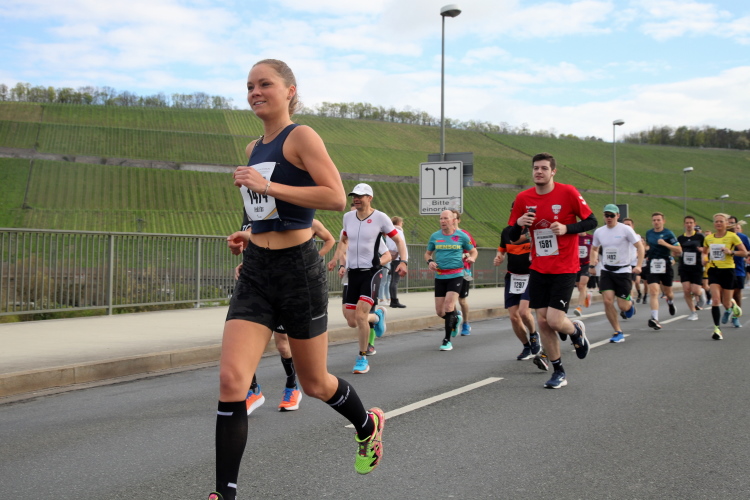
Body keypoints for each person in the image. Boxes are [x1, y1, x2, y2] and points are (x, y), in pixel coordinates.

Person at [210, 60, 384, 500]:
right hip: (257, 271)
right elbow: (261, 209)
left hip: (298, 272)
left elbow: (334, 196)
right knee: (232, 381)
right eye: (249, 85)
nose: (255, 91)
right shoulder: (254, 147)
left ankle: (367, 426)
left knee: (315, 383)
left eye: (264, 84)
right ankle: (224, 494)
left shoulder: (301, 136)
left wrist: (267, 187)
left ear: (289, 90)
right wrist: (247, 234)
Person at [508, 152, 597, 389]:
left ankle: (575, 331)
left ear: (553, 171)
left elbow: (591, 221)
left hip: (565, 267)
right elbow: (511, 236)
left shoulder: (568, 192)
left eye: (544, 168)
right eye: (536, 168)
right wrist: (518, 224)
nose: (539, 171)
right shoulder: (523, 198)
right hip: (538, 267)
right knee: (543, 322)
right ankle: (559, 371)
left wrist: (567, 228)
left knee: (555, 320)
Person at [241, 218, 336, 414]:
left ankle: (292, 387)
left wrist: (315, 258)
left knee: (283, 345)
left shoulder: (308, 221)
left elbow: (330, 240)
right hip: (258, 284)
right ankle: (253, 390)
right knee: (244, 343)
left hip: (292, 287)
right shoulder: (257, 218)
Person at [340, 183, 408, 374]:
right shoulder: (348, 217)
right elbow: (344, 239)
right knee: (351, 320)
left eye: (360, 196)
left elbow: (398, 240)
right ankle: (378, 317)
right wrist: (341, 261)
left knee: (361, 316)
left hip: (372, 272)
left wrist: (403, 261)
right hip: (353, 273)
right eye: (354, 195)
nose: (356, 199)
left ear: (369, 198)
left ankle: (362, 357)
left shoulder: (380, 218)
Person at [495, 208, 544, 367]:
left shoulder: (534, 230)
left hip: (530, 276)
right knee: (514, 317)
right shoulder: (507, 231)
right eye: (514, 211)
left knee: (524, 312)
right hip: (513, 277)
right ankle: (526, 346)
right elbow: (502, 250)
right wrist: (499, 257)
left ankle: (534, 334)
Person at [589, 204, 644, 343]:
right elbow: (594, 248)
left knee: (623, 307)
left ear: (618, 216)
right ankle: (618, 331)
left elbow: (640, 246)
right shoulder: (599, 232)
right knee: (607, 301)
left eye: (612, 215)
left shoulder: (626, 229)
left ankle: (629, 304)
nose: (609, 218)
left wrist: (638, 265)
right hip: (606, 270)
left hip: (623, 270)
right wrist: (592, 263)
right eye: (606, 215)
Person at [425, 210, 477, 351]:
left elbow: (473, 250)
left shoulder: (462, 236)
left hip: (457, 275)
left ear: (453, 220)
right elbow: (428, 253)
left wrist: (472, 258)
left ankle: (447, 341)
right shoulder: (435, 236)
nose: (442, 221)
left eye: (446, 218)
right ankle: (455, 318)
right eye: (441, 218)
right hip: (440, 276)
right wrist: (430, 261)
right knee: (440, 312)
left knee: (449, 306)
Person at [703, 213, 747, 340]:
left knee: (726, 303)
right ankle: (717, 329)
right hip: (714, 270)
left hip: (728, 271)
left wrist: (731, 252)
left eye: (721, 221)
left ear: (726, 223)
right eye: (716, 221)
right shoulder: (709, 238)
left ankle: (732, 306)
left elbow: (744, 253)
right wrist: (704, 259)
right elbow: (704, 252)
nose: (718, 223)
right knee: (716, 300)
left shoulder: (732, 236)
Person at [644, 212, 681, 330]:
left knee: (668, 293)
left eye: (658, 220)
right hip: (652, 264)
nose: (656, 222)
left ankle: (670, 302)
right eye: (654, 220)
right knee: (654, 291)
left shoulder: (669, 233)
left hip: (665, 265)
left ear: (663, 221)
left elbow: (679, 249)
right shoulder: (649, 233)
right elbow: (648, 246)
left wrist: (665, 244)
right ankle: (654, 318)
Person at [677, 216, 707, 321]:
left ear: (694, 224)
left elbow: (706, 249)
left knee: (695, 291)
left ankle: (701, 292)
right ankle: (693, 312)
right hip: (684, 267)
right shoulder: (680, 238)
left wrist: (703, 252)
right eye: (687, 223)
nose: (689, 225)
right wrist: (676, 253)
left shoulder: (700, 237)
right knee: (686, 290)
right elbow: (677, 250)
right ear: (684, 224)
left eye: (691, 223)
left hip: (696, 266)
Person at [452, 210, 476, 336]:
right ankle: (456, 317)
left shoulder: (465, 234)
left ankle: (466, 323)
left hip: (463, 271)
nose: (452, 221)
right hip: (449, 271)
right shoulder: (443, 235)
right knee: (449, 300)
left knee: (462, 300)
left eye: (454, 218)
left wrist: (469, 256)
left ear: (458, 220)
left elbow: (473, 250)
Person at [728, 216, 750, 327]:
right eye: (729, 223)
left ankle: (736, 317)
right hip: (724, 269)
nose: (731, 225)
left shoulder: (742, 237)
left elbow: (748, 251)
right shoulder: (719, 236)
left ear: (736, 225)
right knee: (724, 295)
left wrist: (746, 256)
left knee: (736, 294)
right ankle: (729, 309)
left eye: (733, 223)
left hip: (738, 269)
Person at [387, 216, 407, 308]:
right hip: (398, 258)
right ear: (399, 223)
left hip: (392, 257)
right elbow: (400, 244)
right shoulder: (399, 232)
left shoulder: (389, 232)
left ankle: (392, 300)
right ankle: (394, 300)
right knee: (395, 281)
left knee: (392, 280)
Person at [622, 218, 644, 302]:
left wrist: (638, 262)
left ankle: (631, 301)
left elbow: (641, 249)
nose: (627, 226)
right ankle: (629, 301)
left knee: (631, 284)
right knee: (624, 286)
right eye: (625, 225)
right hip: (622, 264)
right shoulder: (620, 236)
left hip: (633, 263)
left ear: (633, 226)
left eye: (629, 225)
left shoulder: (637, 237)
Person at [573, 231, 593, 317]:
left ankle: (579, 308)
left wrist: (595, 260)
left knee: (582, 285)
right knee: (579, 287)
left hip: (586, 264)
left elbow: (595, 249)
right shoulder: (574, 237)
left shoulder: (590, 238)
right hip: (575, 264)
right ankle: (586, 295)